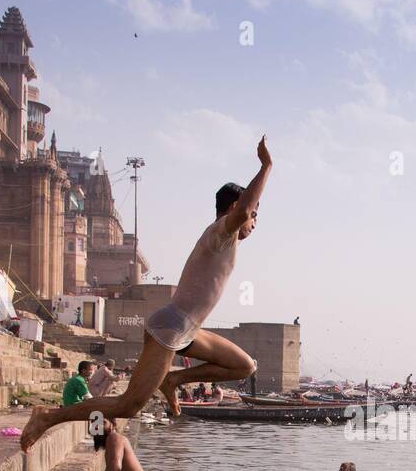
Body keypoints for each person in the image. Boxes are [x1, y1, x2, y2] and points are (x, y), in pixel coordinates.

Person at [19, 136, 273, 451]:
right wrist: (266, 166)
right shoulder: (222, 233)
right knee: (128, 405)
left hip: (188, 331)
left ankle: (174, 380)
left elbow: (246, 208)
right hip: (171, 328)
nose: (255, 222)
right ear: (235, 209)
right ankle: (48, 417)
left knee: (245, 365)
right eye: (254, 215)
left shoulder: (226, 239)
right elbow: (246, 206)